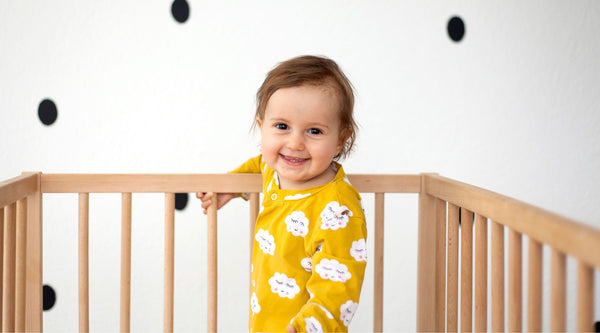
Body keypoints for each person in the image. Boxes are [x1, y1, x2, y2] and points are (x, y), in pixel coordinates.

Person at [197, 55, 367, 333]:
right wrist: (233, 184)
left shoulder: (337, 208)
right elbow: (258, 165)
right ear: (262, 125)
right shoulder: (275, 170)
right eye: (282, 127)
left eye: (314, 131)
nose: (295, 143)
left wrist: (307, 327)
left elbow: (338, 286)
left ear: (340, 139)